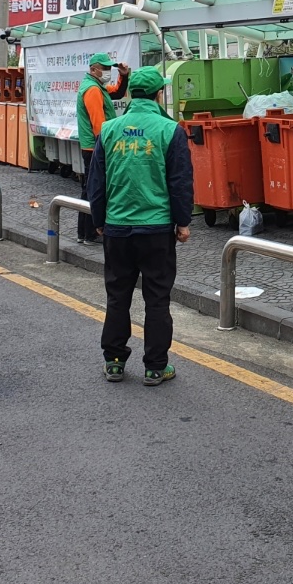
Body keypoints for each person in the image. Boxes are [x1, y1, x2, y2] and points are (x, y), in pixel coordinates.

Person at [87, 67, 193, 385]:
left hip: (117, 227)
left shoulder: (109, 130)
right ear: (160, 94)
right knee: (157, 299)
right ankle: (156, 367)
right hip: (157, 229)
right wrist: (183, 222)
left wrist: (99, 221)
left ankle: (115, 361)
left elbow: (96, 183)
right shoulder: (170, 130)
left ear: (131, 93)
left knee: (118, 296)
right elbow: (180, 182)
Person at [76, 52, 130, 245]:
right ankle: (89, 232)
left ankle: (84, 233)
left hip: (92, 145)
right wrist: (108, 146)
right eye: (104, 68)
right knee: (94, 189)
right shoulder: (92, 90)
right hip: (96, 145)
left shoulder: (97, 86)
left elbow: (116, 92)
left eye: (109, 68)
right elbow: (99, 124)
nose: (107, 71)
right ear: (93, 69)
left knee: (89, 188)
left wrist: (122, 75)